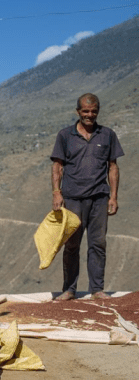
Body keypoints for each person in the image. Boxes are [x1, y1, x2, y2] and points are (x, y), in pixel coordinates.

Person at [51, 93, 124, 301]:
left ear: (98, 111)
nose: (89, 115)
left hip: (100, 198)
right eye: (85, 111)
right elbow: (57, 166)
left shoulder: (107, 135)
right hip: (72, 198)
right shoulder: (65, 135)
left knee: (98, 243)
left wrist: (114, 196)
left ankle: (97, 289)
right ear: (78, 112)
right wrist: (57, 193)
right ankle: (69, 289)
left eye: (93, 111)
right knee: (72, 244)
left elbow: (113, 167)